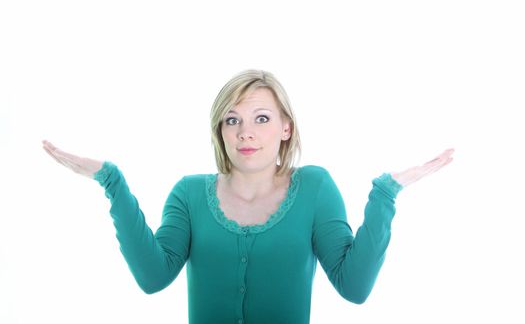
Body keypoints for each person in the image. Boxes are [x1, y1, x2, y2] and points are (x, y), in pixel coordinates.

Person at [42, 69, 454, 324]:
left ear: (286, 128)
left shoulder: (314, 187)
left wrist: (386, 193)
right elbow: (153, 278)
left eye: (261, 118)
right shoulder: (188, 194)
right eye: (232, 120)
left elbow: (355, 286)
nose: (246, 132)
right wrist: (112, 182)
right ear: (220, 131)